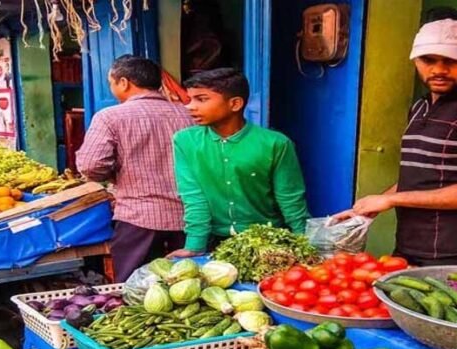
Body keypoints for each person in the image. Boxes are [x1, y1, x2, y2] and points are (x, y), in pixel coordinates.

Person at [335, 19, 457, 266]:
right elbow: (421, 176)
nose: (438, 70)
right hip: (411, 248)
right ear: (415, 60)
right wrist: (373, 205)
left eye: (452, 60)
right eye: (428, 60)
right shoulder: (421, 106)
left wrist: (392, 200)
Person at [168, 68, 311, 258]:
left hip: (268, 241)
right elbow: (193, 197)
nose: (190, 106)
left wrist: (305, 244)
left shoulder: (275, 143)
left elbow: (291, 199)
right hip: (215, 241)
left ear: (235, 104)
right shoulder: (185, 141)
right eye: (190, 99)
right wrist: (195, 246)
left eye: (201, 99)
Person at [76, 55, 194, 282]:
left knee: (136, 290)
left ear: (124, 83)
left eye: (111, 82)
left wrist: (114, 175)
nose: (111, 88)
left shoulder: (110, 117)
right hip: (190, 219)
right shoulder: (189, 114)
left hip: (139, 218)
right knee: (187, 288)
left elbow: (91, 165)